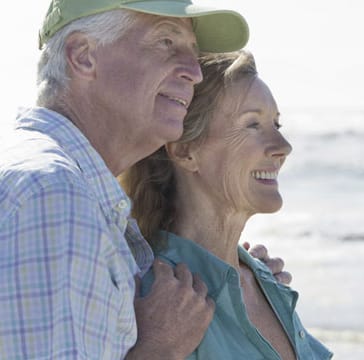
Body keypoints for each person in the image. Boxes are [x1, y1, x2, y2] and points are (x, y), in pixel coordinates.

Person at [0, 1, 288, 358]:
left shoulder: (74, 197)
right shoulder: (53, 197)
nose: (194, 72)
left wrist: (236, 279)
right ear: (84, 56)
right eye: (166, 42)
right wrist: (159, 347)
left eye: (194, 53)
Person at [121, 50, 333, 359]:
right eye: (252, 125)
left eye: (277, 124)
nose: (283, 147)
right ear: (185, 151)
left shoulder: (264, 279)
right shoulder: (159, 299)